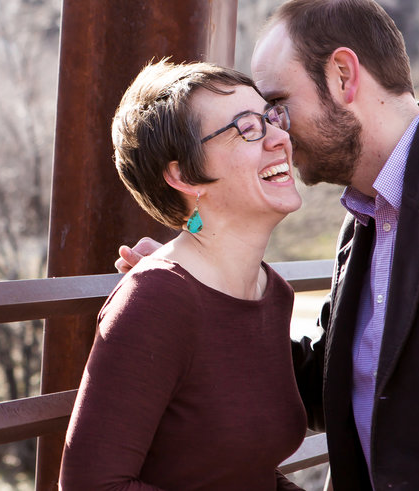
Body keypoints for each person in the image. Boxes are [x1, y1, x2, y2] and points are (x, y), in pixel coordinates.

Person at [118, 0, 419, 490]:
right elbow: (329, 386)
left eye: (278, 104)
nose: (275, 131)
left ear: (343, 76)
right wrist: (201, 292)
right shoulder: (365, 218)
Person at [59, 59, 307, 490]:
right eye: (248, 127)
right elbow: (91, 485)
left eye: (271, 117)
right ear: (184, 175)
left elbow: (247, 476)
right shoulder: (155, 301)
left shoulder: (273, 294)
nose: (281, 138)